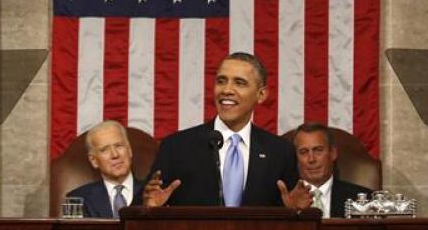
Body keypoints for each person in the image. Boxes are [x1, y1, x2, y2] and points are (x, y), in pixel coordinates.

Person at [144, 52, 311, 208]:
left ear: (261, 95)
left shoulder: (280, 152)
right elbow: (142, 205)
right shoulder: (176, 147)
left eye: (239, 83)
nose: (226, 90)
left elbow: (291, 209)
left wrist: (295, 212)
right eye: (221, 81)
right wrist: (149, 208)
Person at [66, 120, 145, 218]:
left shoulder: (151, 193)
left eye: (119, 146)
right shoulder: (77, 199)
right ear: (94, 160)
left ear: (129, 151)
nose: (115, 155)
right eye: (104, 150)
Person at [292, 122, 372, 218]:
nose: (311, 159)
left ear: (333, 153)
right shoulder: (283, 201)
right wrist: (293, 212)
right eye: (304, 152)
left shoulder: (366, 201)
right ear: (295, 157)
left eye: (318, 150)